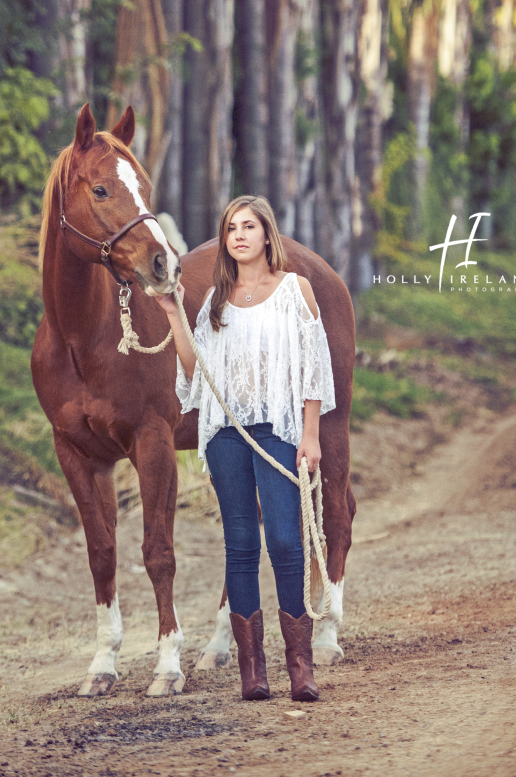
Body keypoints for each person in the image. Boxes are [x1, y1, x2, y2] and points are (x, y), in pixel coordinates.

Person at [156, 195, 336, 703]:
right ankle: (252, 672)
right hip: (227, 437)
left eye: (248, 226)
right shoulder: (216, 299)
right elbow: (197, 375)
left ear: (266, 235)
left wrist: (311, 433)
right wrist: (173, 314)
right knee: (240, 545)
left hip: (278, 430)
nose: (238, 235)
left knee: (283, 539)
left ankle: (300, 667)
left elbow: (313, 365)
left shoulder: (294, 290)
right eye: (231, 227)